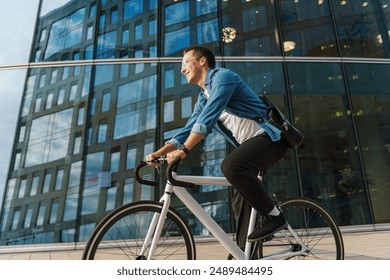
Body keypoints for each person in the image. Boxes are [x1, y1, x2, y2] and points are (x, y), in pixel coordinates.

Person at [146, 45, 289, 246]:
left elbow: (207, 118)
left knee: (230, 166)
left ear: (202, 61)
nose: (182, 69)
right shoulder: (203, 96)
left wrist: (184, 150)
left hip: (270, 139)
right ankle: (242, 258)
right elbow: (189, 128)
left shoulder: (223, 77)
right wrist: (158, 153)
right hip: (251, 146)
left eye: (186, 62)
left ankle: (275, 217)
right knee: (240, 204)